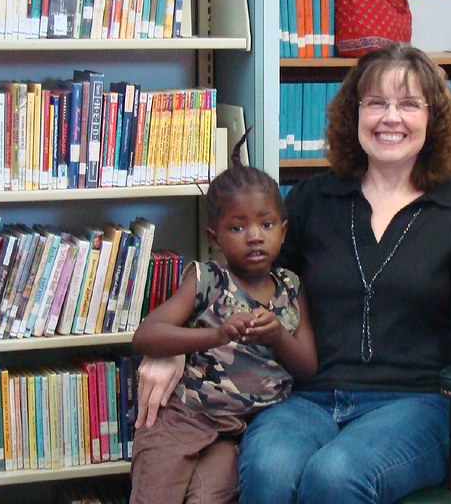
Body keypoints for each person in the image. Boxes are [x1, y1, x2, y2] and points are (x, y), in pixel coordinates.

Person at [135, 43, 451, 503]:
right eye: (376, 103)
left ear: (433, 117)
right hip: (308, 398)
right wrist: (172, 347)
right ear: (354, 114)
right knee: (269, 467)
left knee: (335, 476)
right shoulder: (312, 200)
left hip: (412, 404)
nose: (390, 118)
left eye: (408, 104)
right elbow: (247, 286)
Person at [128, 139, 317, 504]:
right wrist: (215, 335)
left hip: (238, 433)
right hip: (184, 418)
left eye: (266, 224)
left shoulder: (292, 287)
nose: (255, 237)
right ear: (214, 237)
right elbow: (146, 335)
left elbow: (308, 367)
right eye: (237, 228)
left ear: (284, 230)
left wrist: (278, 334)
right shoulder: (207, 279)